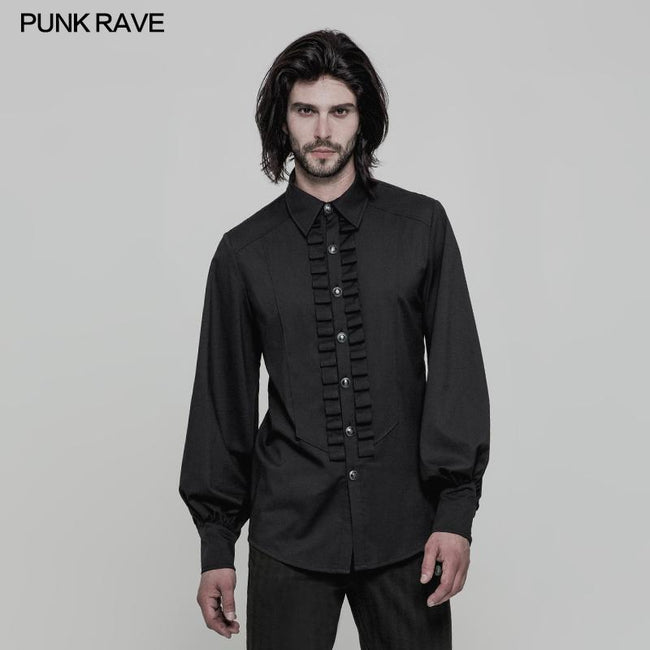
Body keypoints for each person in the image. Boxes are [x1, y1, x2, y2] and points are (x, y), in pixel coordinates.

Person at [178, 29, 490, 649]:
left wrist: (456, 514)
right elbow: (222, 402)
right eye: (306, 110)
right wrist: (217, 547)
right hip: (289, 535)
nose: (323, 130)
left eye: (339, 111)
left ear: (362, 119)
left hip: (408, 532)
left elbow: (457, 372)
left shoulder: (422, 226)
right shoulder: (244, 252)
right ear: (283, 120)